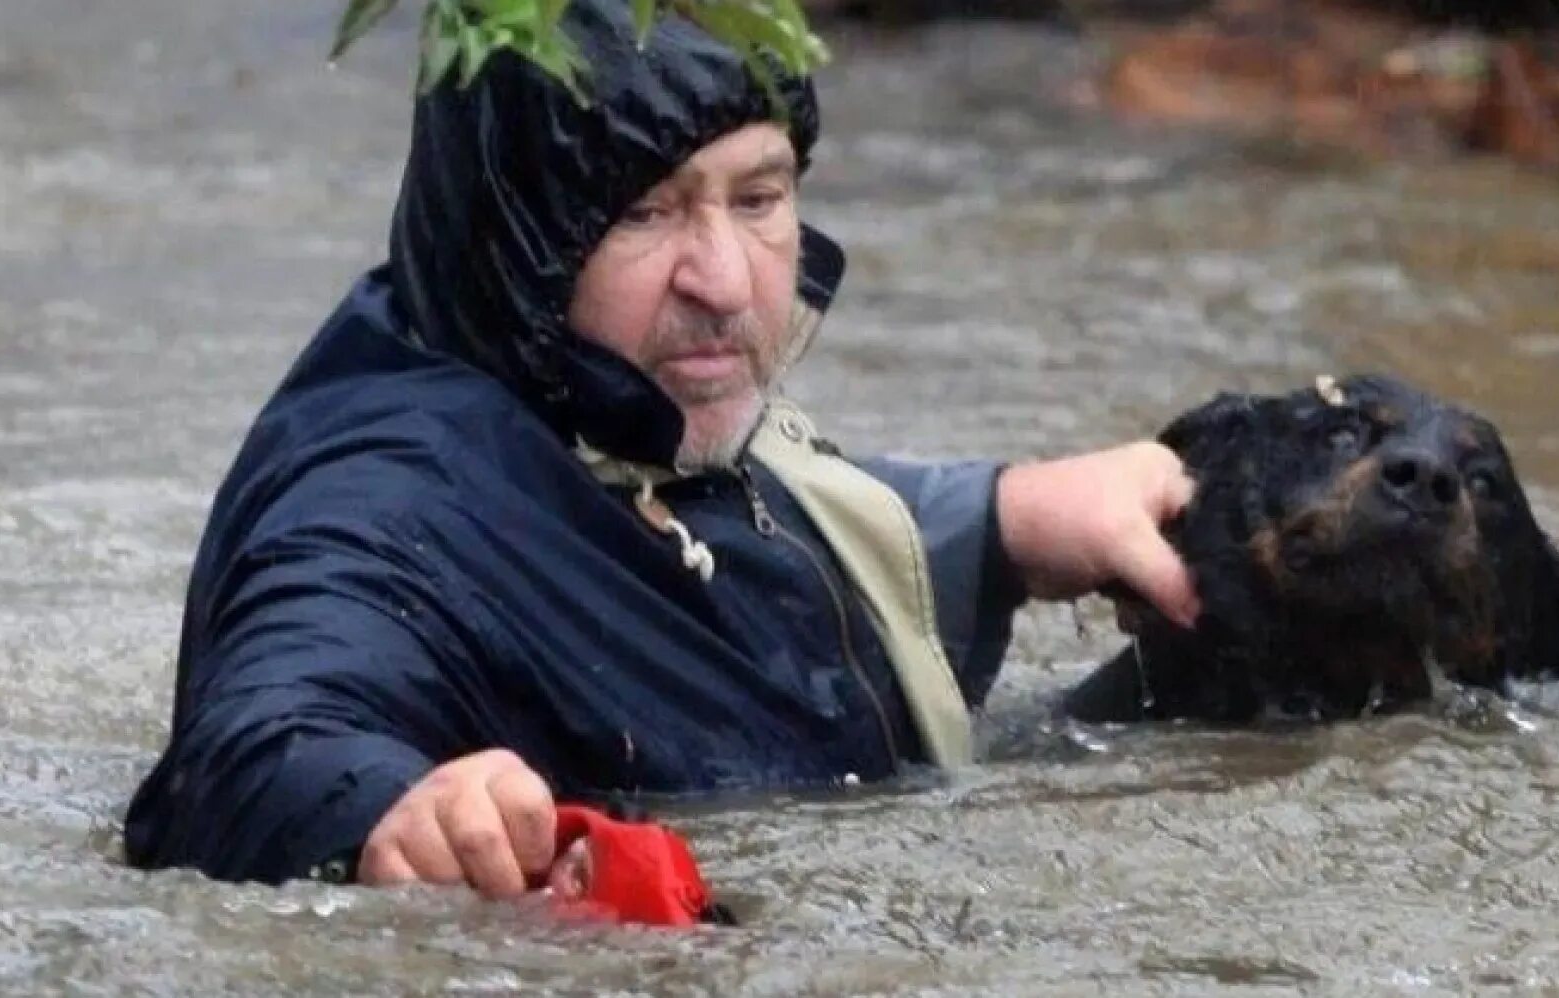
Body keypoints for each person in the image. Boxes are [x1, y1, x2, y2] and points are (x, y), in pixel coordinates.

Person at [123, 0, 1198, 899]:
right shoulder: (386, 496)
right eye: (646, 213)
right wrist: (388, 811)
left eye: (760, 198)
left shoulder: (613, 415)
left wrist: (1006, 516)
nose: (726, 281)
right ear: (519, 239)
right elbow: (253, 739)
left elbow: (726, 544)